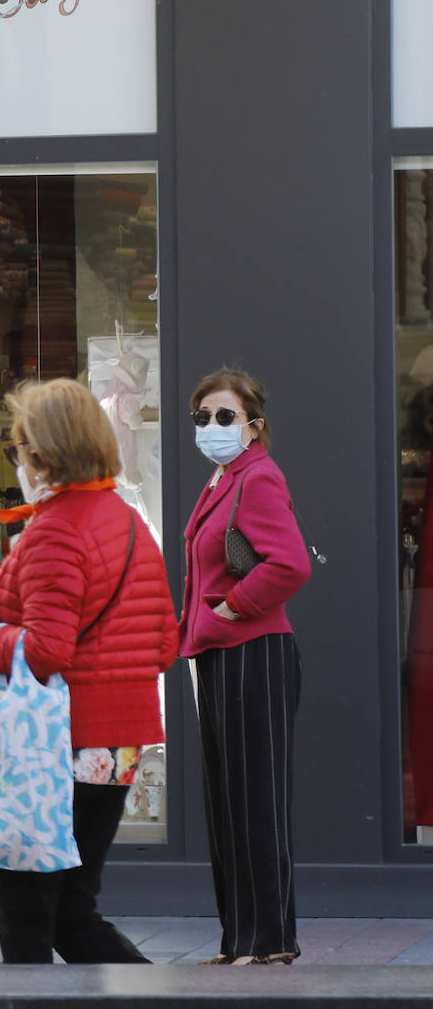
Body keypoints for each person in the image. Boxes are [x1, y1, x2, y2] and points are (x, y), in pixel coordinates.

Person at [0, 378, 177, 964]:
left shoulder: (56, 529)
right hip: (117, 743)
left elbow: (48, 651)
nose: (18, 461)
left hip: (56, 743)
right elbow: (164, 643)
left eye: (18, 448)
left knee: (29, 907)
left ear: (45, 453)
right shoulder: (126, 519)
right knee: (74, 906)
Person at [179, 368, 311, 965]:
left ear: (254, 424)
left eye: (224, 416)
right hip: (221, 655)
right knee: (229, 803)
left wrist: (231, 609)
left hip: (253, 654)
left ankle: (267, 943)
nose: (211, 426)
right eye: (203, 417)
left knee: (255, 801)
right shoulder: (224, 478)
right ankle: (241, 941)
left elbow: (289, 565)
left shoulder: (257, 477)